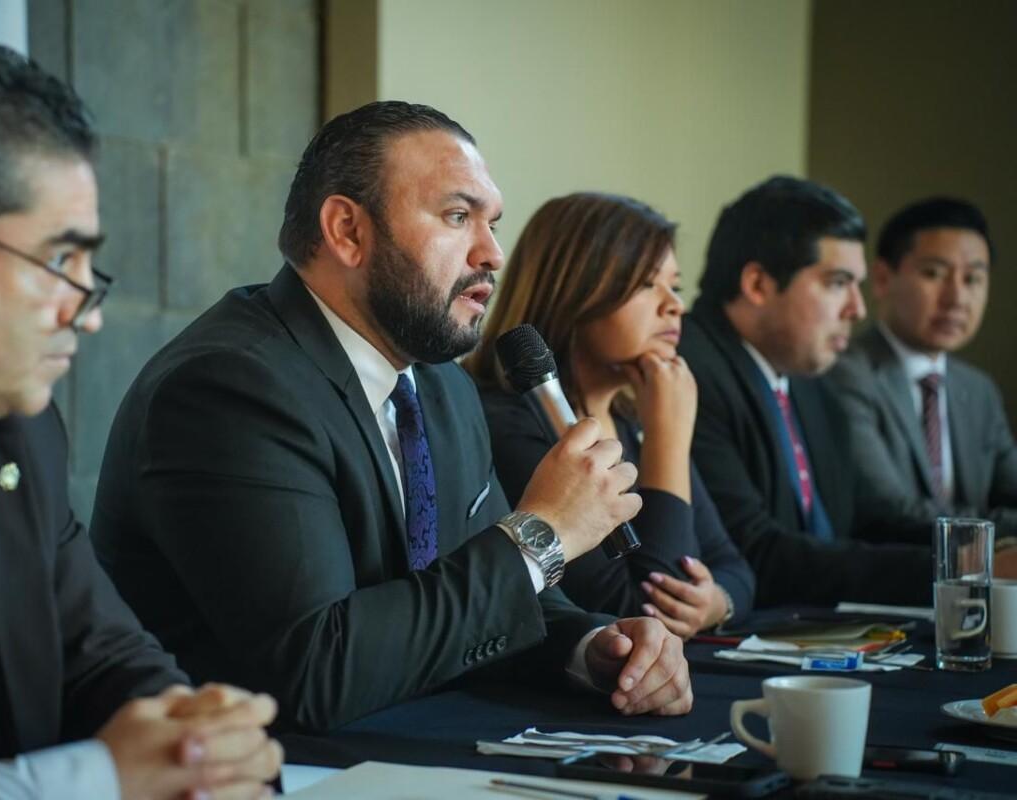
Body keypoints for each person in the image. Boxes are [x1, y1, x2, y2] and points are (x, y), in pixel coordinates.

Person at [91, 101, 693, 733]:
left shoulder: (438, 385)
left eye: (493, 223)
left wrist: (596, 649)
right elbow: (317, 669)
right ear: (348, 231)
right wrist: (540, 534)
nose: (491, 253)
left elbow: (477, 600)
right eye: (458, 217)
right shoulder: (230, 387)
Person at [0, 33, 280, 799]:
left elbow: (98, 652)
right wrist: (81, 783)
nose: (86, 314)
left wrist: (196, 737)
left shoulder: (17, 434)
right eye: (57, 263)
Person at [464, 192, 754, 638]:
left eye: (674, 286)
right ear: (573, 290)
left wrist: (718, 601)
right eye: (644, 284)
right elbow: (640, 609)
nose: (673, 305)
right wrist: (668, 442)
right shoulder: (507, 420)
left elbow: (733, 563)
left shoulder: (636, 414)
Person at [676, 176, 932, 608]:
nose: (857, 308)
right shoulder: (688, 369)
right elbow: (755, 552)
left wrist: (977, 552)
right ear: (758, 284)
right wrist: (953, 571)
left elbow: (863, 520)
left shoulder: (809, 377)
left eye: (858, 284)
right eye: (837, 283)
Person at [827, 198, 1017, 544]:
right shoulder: (845, 373)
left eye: (973, 278)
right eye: (933, 273)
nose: (957, 298)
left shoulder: (979, 389)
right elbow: (888, 512)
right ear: (883, 279)